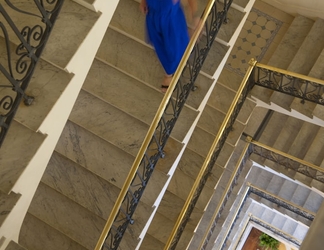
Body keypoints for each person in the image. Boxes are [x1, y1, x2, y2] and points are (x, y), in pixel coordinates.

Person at [140, 0, 198, 93]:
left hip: (171, 19)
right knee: (160, 47)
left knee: (172, 51)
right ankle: (170, 71)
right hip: (153, 14)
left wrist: (195, 16)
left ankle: (168, 74)